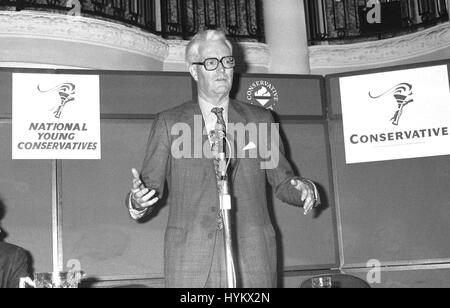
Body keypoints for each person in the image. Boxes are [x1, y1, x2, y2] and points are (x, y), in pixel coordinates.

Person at [128, 30, 320, 288]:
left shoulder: (260, 120)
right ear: (194, 72)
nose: (222, 70)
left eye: (227, 61)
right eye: (211, 63)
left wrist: (304, 189)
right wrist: (138, 201)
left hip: (251, 257)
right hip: (191, 261)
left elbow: (284, 182)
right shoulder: (169, 122)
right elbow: (149, 185)